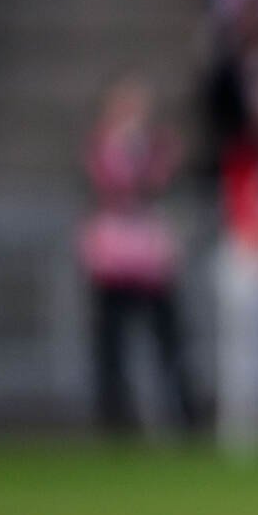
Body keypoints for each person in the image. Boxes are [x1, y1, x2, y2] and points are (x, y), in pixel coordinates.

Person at [79, 75, 199, 436]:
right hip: (113, 257)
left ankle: (182, 415)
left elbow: (159, 181)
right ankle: (116, 419)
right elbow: (111, 183)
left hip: (149, 257)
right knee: (111, 344)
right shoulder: (102, 145)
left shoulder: (156, 145)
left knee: (169, 340)